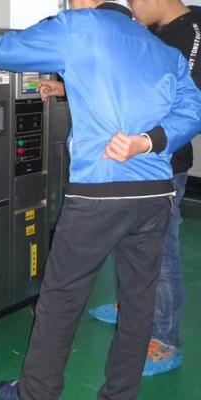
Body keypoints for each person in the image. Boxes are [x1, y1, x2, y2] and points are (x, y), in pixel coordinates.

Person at [0, 0, 201, 399]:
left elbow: (9, 51)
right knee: (138, 303)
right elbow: (193, 108)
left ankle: (35, 394)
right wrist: (148, 142)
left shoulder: (78, 26)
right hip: (155, 195)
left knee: (61, 298)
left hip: (98, 194)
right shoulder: (159, 47)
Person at [87, 0, 201, 377]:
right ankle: (131, 305)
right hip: (134, 162)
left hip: (164, 164)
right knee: (130, 241)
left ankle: (165, 339)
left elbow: (189, 108)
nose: (131, 7)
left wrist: (145, 141)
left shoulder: (192, 34)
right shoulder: (155, 31)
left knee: (162, 252)